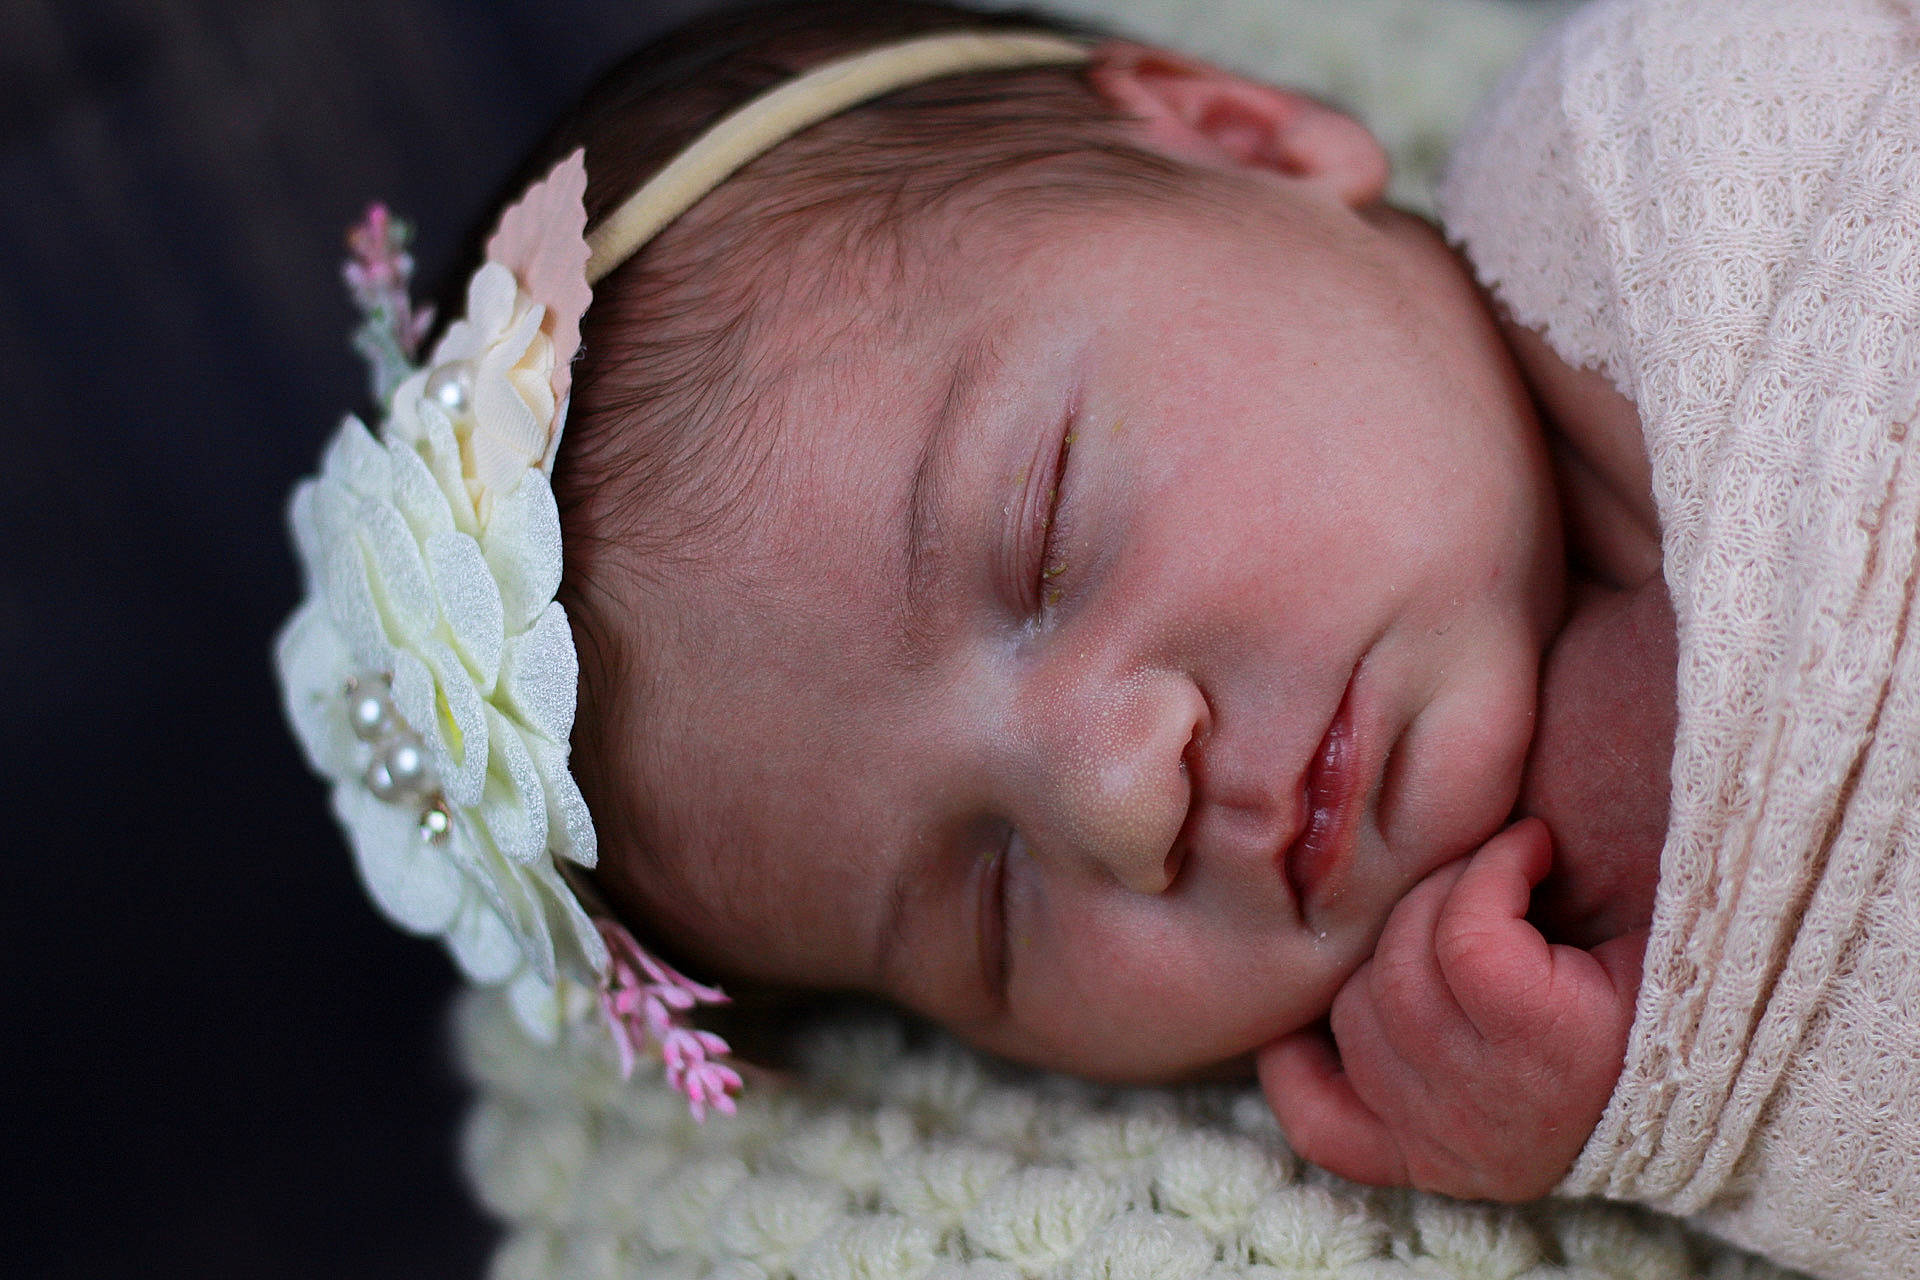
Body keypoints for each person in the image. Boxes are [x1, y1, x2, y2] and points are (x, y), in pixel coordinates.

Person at [279, 0, 1920, 1273]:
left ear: (1245, 136)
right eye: (993, 902)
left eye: (1047, 536)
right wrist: (1653, 1111)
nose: (1125, 796)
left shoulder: (1665, 141)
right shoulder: (1528, 1011)